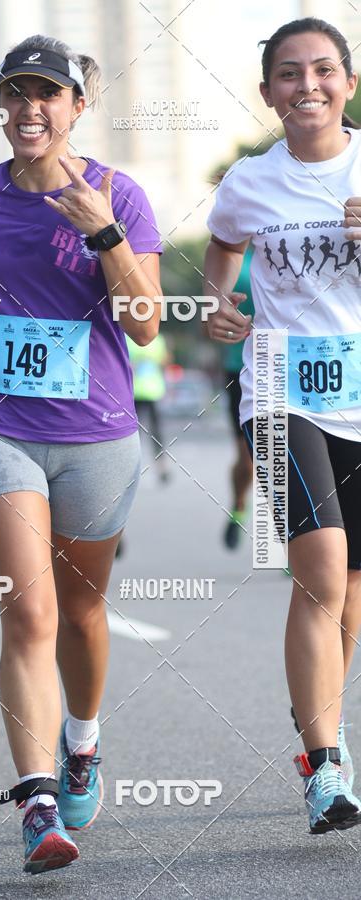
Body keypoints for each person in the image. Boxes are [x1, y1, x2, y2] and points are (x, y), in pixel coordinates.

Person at [0, 35, 163, 873]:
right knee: (28, 612)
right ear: (2, 104)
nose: (31, 107)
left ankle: (83, 744)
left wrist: (104, 236)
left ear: (76, 108)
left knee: (82, 611)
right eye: (17, 92)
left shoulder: (119, 195)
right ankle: (38, 804)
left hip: (97, 435)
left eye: (47, 94)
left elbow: (145, 322)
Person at [205, 17, 361, 834]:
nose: (308, 86)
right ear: (268, 93)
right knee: (322, 574)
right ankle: (327, 770)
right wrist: (221, 301)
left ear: (349, 82)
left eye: (324, 71)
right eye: (290, 74)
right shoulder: (248, 182)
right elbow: (222, 246)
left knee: (353, 595)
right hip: (279, 393)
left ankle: (317, 738)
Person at [219, 246, 255, 549]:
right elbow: (209, 313)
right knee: (249, 458)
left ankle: (291, 539)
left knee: (283, 457)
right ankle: (239, 506)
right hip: (240, 369)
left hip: (291, 365)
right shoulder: (231, 248)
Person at [127, 331, 170, 482]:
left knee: (138, 434)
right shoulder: (157, 339)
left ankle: (157, 467)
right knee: (155, 434)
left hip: (145, 391)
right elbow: (165, 362)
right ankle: (160, 467)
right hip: (144, 392)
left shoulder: (128, 337)